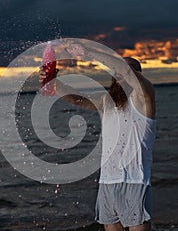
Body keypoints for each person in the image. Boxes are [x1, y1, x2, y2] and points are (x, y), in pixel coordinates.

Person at [39, 47, 156, 231]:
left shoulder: (144, 99)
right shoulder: (106, 102)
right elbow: (77, 99)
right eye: (117, 71)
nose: (122, 72)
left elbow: (125, 70)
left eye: (130, 69)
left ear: (138, 75)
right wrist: (54, 82)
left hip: (135, 181)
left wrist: (86, 52)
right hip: (107, 183)